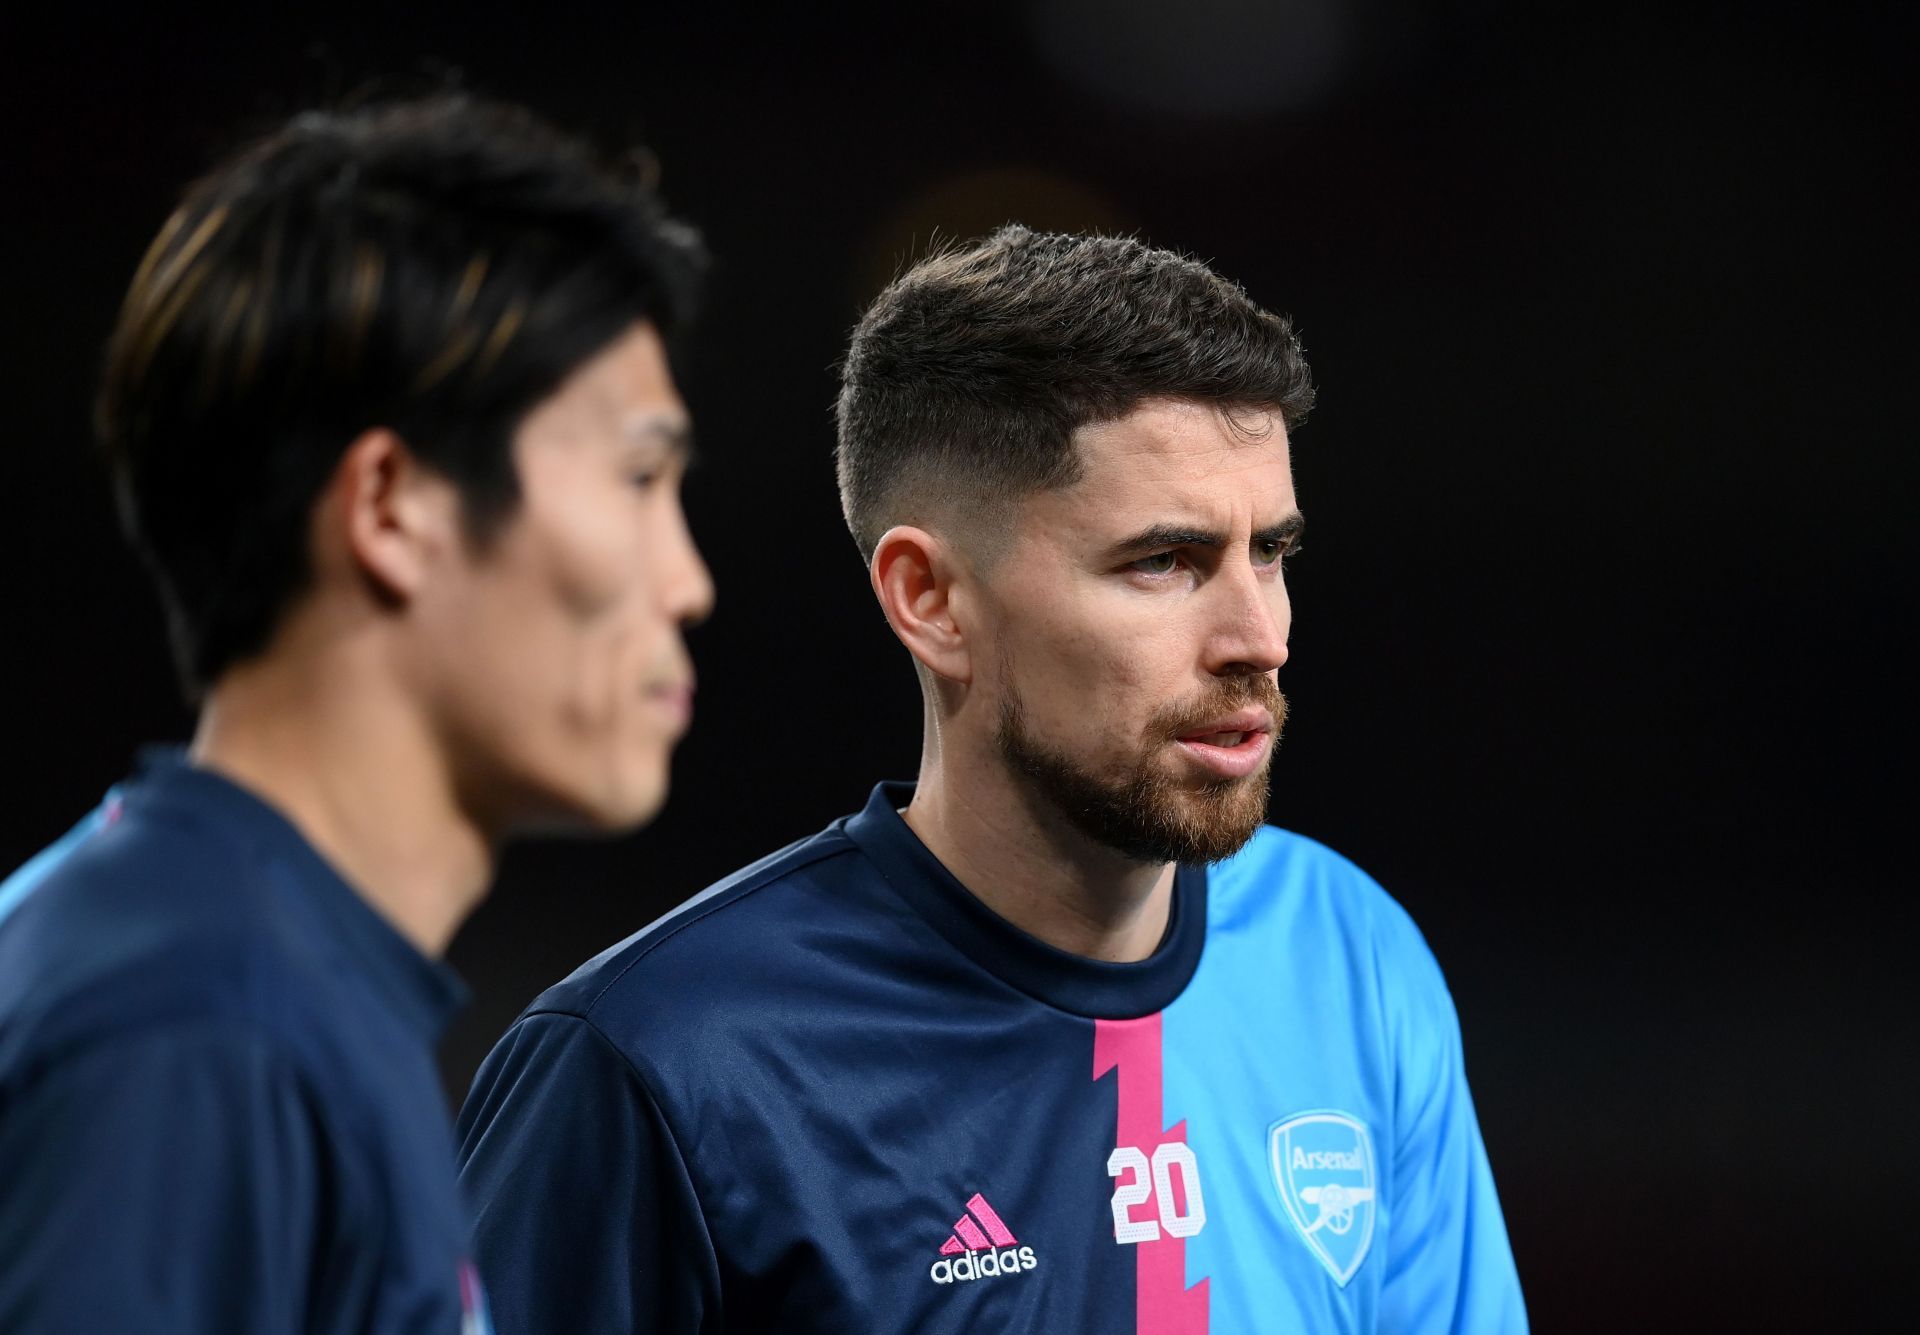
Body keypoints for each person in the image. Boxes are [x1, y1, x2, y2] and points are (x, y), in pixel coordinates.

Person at [458, 226, 1526, 1332]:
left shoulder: (1350, 956)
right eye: (1165, 561)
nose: (1260, 636)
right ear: (929, 599)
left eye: (1271, 553)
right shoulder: (663, 1061)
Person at [0, 94, 712, 1334]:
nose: (686, 581)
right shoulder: (193, 1027)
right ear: (392, 508)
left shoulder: (230, 973)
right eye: (638, 479)